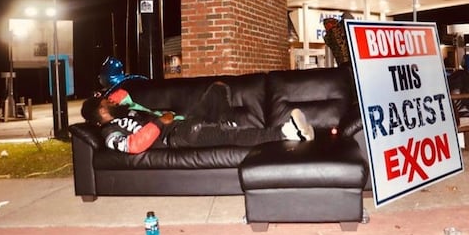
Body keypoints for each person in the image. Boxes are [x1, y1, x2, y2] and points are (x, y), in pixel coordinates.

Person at [80, 82, 315, 154]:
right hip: (178, 135)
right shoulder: (109, 133)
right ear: (102, 113)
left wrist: (107, 98)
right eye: (106, 103)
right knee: (229, 135)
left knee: (218, 89)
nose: (111, 101)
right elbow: (133, 146)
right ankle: (287, 132)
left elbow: (121, 95)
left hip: (185, 123)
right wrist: (160, 122)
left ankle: (222, 126)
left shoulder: (123, 108)